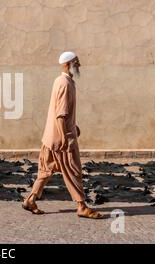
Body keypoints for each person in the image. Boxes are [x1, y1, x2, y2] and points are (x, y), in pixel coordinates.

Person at [22, 51, 103, 219]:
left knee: (45, 171)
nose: (79, 65)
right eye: (77, 62)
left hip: (50, 137)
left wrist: (74, 126)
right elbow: (61, 114)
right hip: (61, 139)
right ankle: (81, 206)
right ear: (68, 64)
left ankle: (30, 200)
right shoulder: (66, 84)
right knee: (73, 171)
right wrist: (66, 138)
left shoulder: (59, 81)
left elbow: (61, 112)